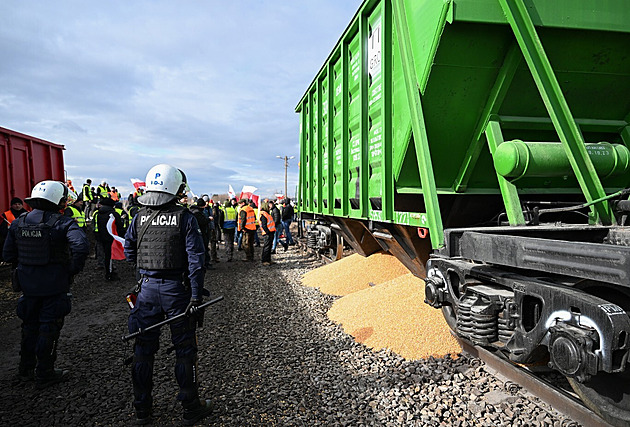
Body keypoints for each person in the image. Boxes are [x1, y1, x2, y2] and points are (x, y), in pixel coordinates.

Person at [124, 164, 212, 425]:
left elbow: (129, 252)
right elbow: (197, 261)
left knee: (143, 349)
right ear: (176, 187)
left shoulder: (139, 216)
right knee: (185, 350)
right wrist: (196, 297)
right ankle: (191, 407)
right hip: (177, 291)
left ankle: (142, 410)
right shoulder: (185, 218)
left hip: (146, 290)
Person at [2, 180, 88, 388]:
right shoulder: (63, 223)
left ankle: (25, 369)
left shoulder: (18, 222)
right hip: (54, 285)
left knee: (29, 326)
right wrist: (71, 270)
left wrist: (24, 269)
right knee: (49, 327)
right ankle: (45, 372)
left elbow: (7, 254)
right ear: (58, 200)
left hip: (28, 286)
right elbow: (81, 246)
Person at [94, 197, 123, 281]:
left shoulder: (98, 213)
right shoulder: (113, 214)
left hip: (102, 237)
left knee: (106, 255)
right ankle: (109, 274)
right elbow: (120, 227)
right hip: (112, 238)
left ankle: (110, 271)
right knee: (110, 256)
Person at [190, 199, 212, 269]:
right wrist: (208, 219)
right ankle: (205, 264)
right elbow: (202, 222)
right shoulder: (197, 213)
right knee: (204, 248)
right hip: (201, 233)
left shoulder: (193, 211)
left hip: (198, 233)